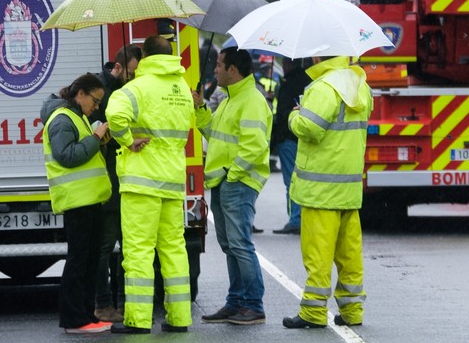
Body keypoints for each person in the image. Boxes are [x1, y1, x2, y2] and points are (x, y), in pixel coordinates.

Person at [104, 34, 195, 334]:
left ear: (143, 57)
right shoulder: (182, 88)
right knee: (173, 250)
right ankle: (179, 317)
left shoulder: (136, 88)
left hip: (141, 184)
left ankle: (138, 320)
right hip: (172, 181)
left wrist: (128, 141)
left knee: (139, 252)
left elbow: (115, 116)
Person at [282, 56, 373, 330]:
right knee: (349, 253)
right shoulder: (361, 85)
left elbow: (310, 127)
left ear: (321, 56)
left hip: (320, 189)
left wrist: (294, 115)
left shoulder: (323, 87)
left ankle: (313, 312)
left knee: (318, 254)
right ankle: (352, 310)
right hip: (348, 186)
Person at [193, 47, 272, 325]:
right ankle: (236, 302)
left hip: (236, 182)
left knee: (239, 245)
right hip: (225, 180)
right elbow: (215, 133)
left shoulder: (251, 100)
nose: (215, 68)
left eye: (219, 64)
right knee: (230, 245)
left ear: (233, 70)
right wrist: (201, 107)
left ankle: (253, 305)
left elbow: (254, 147)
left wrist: (232, 174)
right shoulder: (231, 98)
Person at [41, 72, 114, 334]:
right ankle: (75, 320)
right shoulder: (62, 119)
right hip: (77, 201)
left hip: (89, 199)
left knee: (89, 261)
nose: (96, 107)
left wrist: (97, 141)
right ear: (79, 93)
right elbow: (67, 156)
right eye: (94, 101)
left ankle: (86, 316)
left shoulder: (78, 116)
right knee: (79, 261)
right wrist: (94, 139)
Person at [92, 44, 142, 323]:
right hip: (109, 183)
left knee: (129, 248)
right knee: (104, 248)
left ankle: (124, 304)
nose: (133, 79)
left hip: (127, 182)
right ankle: (102, 303)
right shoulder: (100, 91)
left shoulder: (127, 90)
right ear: (119, 68)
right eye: (131, 73)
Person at [270, 57, 313, 234]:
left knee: (291, 181)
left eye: (285, 62)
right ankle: (303, 217)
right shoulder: (309, 82)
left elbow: (282, 113)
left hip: (288, 138)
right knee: (302, 179)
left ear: (291, 64)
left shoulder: (289, 84)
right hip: (303, 138)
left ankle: (295, 219)